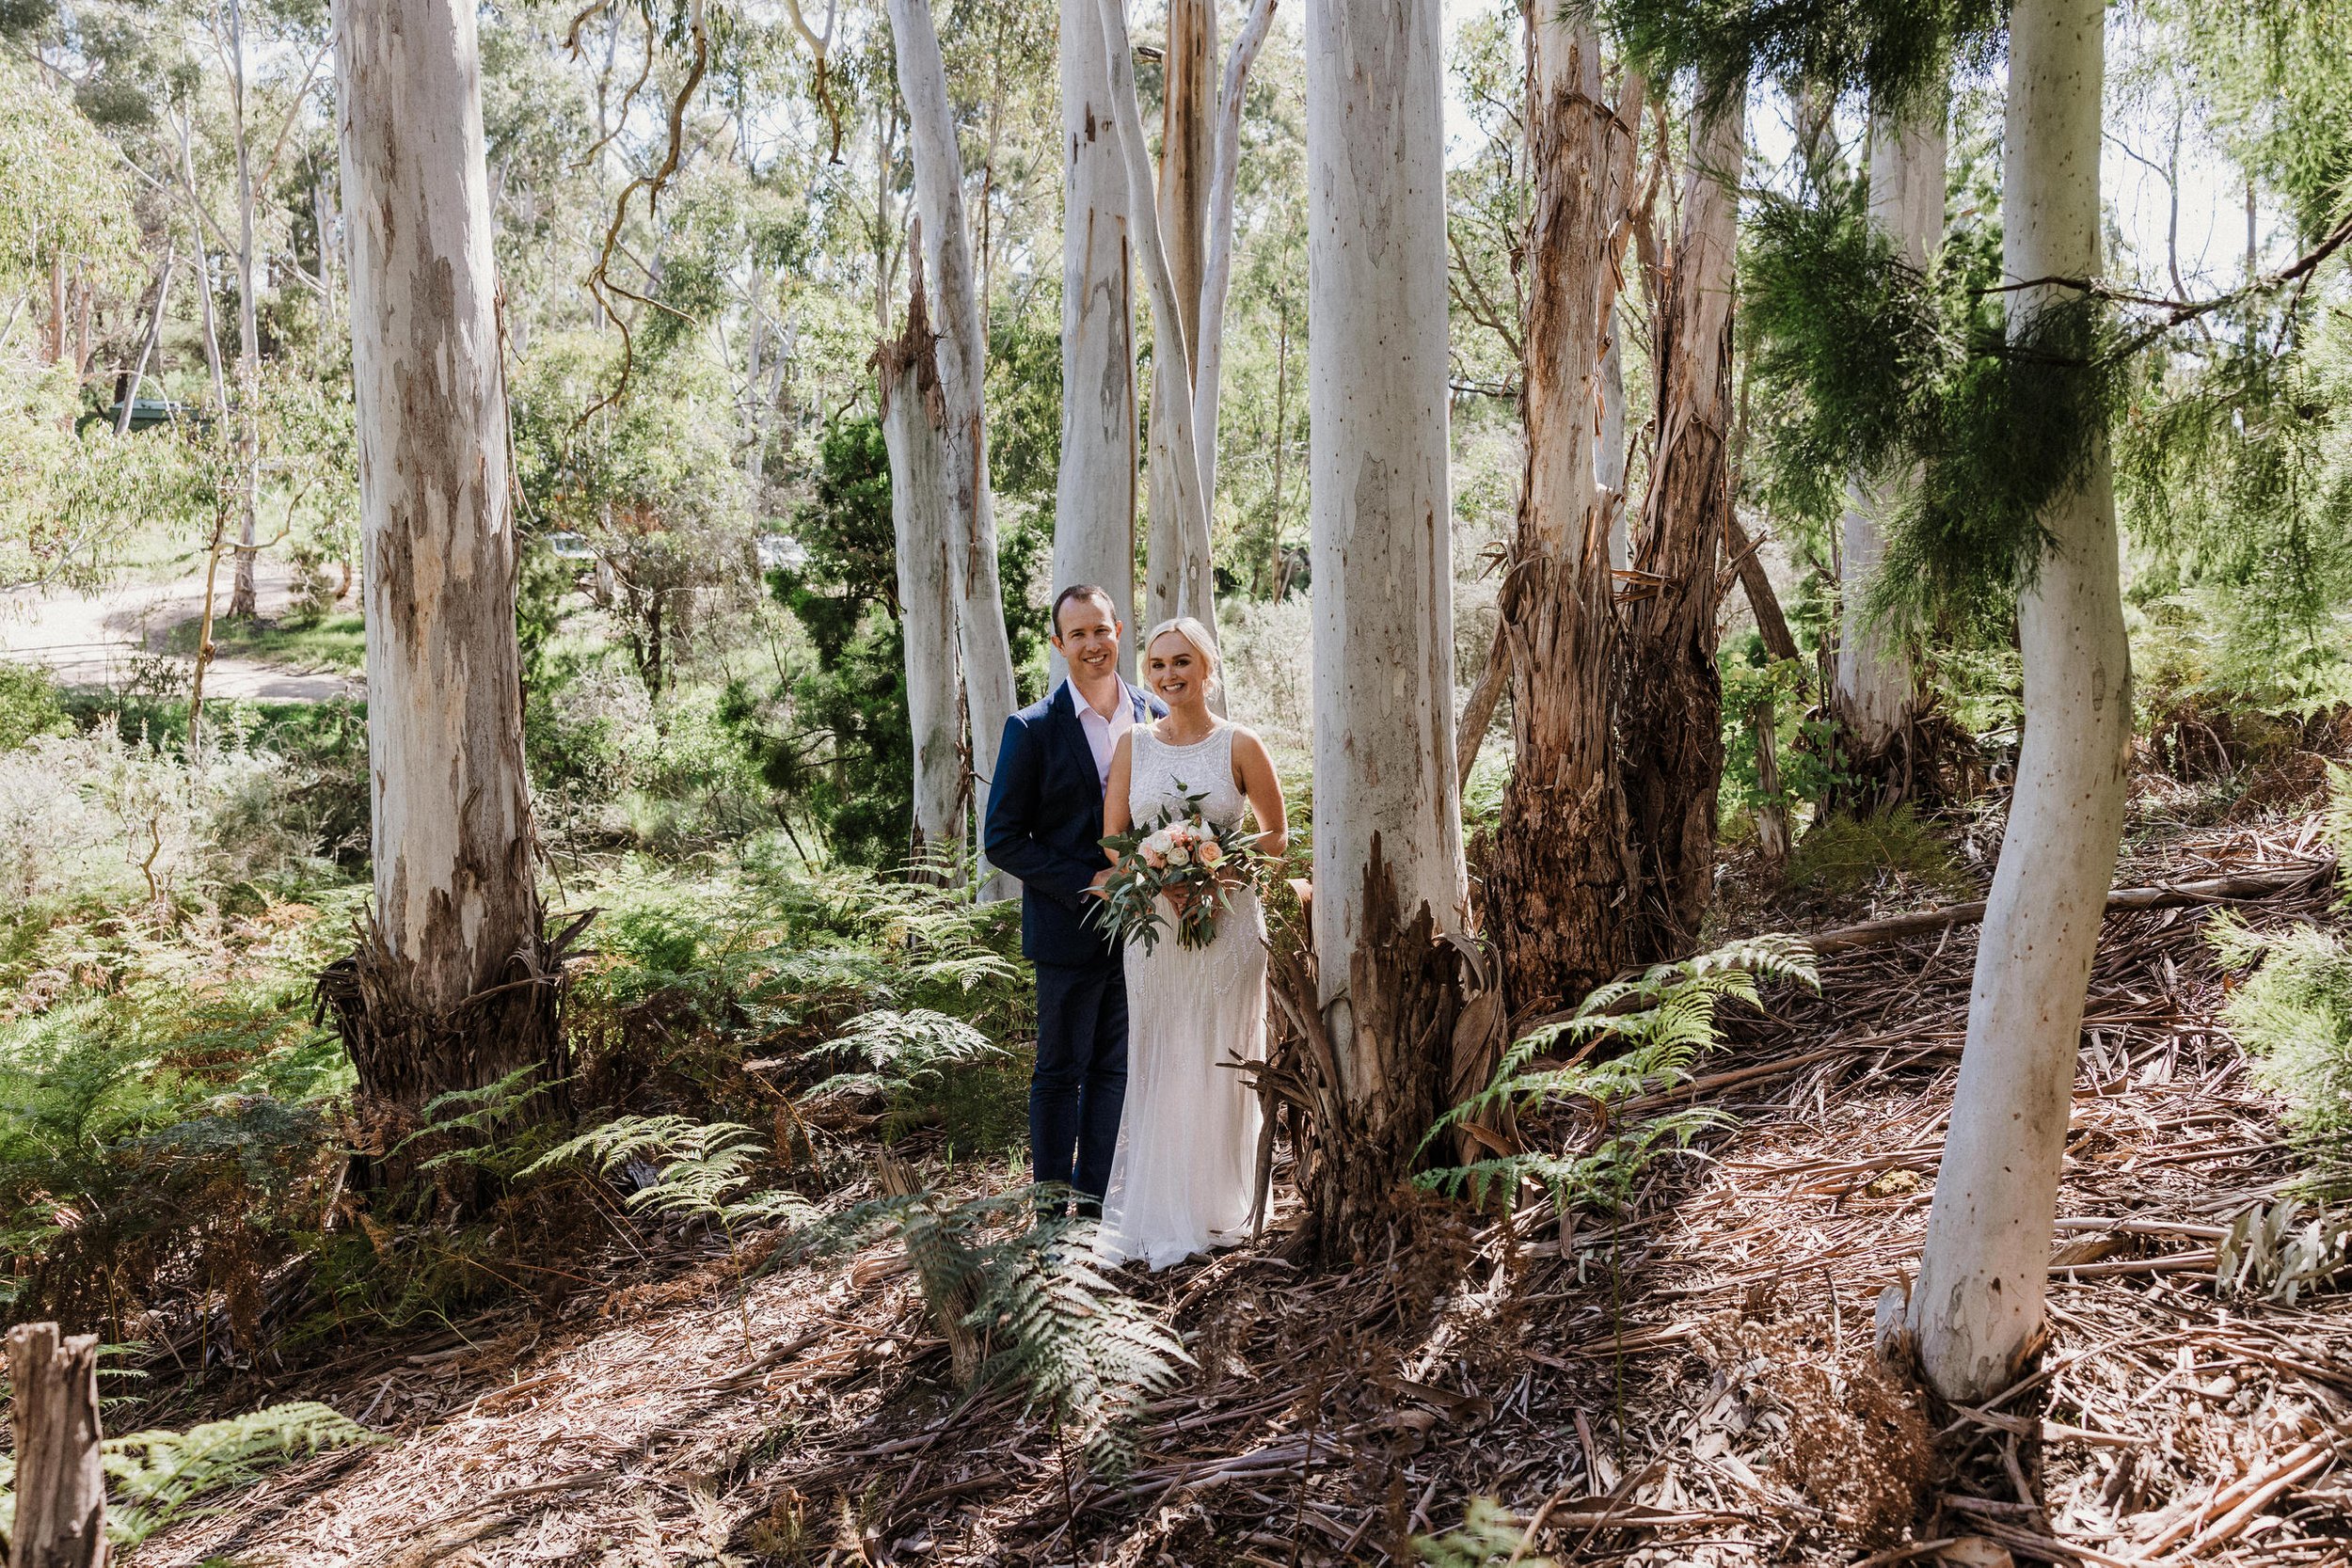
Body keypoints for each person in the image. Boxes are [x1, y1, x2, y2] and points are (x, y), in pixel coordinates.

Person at [1095, 617, 1288, 1270]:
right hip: (1156, 933)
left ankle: (1222, 1205)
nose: (1170, 675)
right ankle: (1161, 1207)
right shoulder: (1133, 745)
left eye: (1182, 662)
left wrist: (1214, 871)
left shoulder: (1240, 742)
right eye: (1157, 665)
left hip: (1227, 922)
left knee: (1220, 1055)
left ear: (1207, 668)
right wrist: (1158, 874)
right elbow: (1115, 838)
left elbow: (1276, 837)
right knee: (1163, 1055)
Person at [983, 586, 1162, 1215]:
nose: (1093, 643)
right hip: (1066, 928)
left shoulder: (1156, 715)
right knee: (1060, 1072)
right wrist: (1087, 879)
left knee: (1114, 1070)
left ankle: (1089, 1210)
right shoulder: (1030, 729)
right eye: (1077, 634)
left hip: (1145, 928)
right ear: (1059, 645)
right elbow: (1001, 839)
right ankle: (1048, 1212)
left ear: (1119, 629)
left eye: (1101, 629)